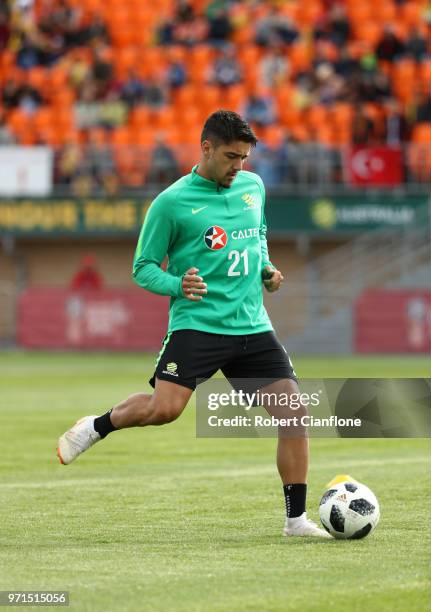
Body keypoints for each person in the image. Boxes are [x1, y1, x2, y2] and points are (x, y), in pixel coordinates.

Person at [57, 110, 330, 539]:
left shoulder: (253, 186)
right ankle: (96, 426)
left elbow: (257, 236)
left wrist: (268, 269)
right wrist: (177, 285)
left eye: (243, 157)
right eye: (230, 156)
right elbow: (142, 267)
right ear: (205, 148)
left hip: (252, 326)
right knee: (164, 410)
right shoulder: (171, 202)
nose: (238, 166)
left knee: (294, 413)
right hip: (197, 325)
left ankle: (295, 520)